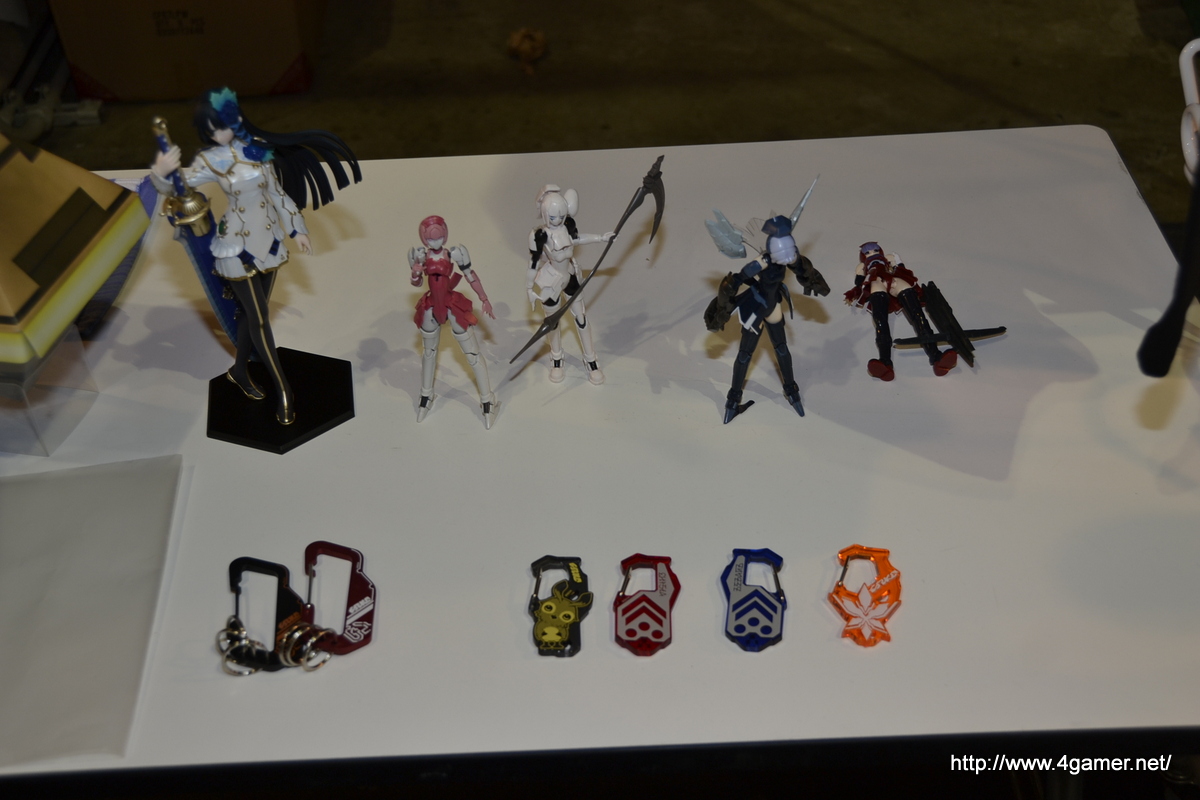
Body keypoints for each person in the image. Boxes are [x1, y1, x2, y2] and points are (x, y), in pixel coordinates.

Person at [150, 87, 360, 424]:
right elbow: (179, 187)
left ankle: (239, 372)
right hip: (237, 247)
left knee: (251, 316)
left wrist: (297, 229)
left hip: (270, 242)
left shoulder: (257, 149)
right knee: (259, 317)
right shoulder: (210, 160)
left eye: (223, 125)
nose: (219, 134)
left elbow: (277, 194)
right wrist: (160, 172)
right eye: (212, 130)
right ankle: (284, 390)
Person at [408, 215, 497, 428]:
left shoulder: (454, 253)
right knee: (429, 352)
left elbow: (470, 275)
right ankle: (426, 395)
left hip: (451, 306)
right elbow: (416, 283)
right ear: (424, 239)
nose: (435, 242)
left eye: (439, 237)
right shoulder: (420, 255)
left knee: (472, 354)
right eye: (431, 239)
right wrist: (415, 273)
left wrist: (484, 298)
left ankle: (487, 400)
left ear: (445, 235)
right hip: (432, 306)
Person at [526, 185, 614, 384]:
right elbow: (533, 263)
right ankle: (556, 357)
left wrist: (600, 238)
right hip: (551, 282)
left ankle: (591, 359)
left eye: (561, 216)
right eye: (553, 217)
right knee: (552, 323)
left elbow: (578, 240)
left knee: (581, 319)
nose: (557, 221)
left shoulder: (568, 226)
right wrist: (529, 288)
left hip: (570, 276)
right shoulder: (539, 235)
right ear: (545, 214)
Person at [843, 242, 956, 381]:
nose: (872, 253)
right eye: (867, 252)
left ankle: (936, 356)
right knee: (881, 322)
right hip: (876, 282)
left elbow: (901, 268)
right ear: (863, 255)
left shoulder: (888, 257)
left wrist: (898, 261)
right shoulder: (862, 266)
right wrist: (855, 290)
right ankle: (885, 362)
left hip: (894, 280)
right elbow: (859, 282)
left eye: (875, 250)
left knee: (918, 315)